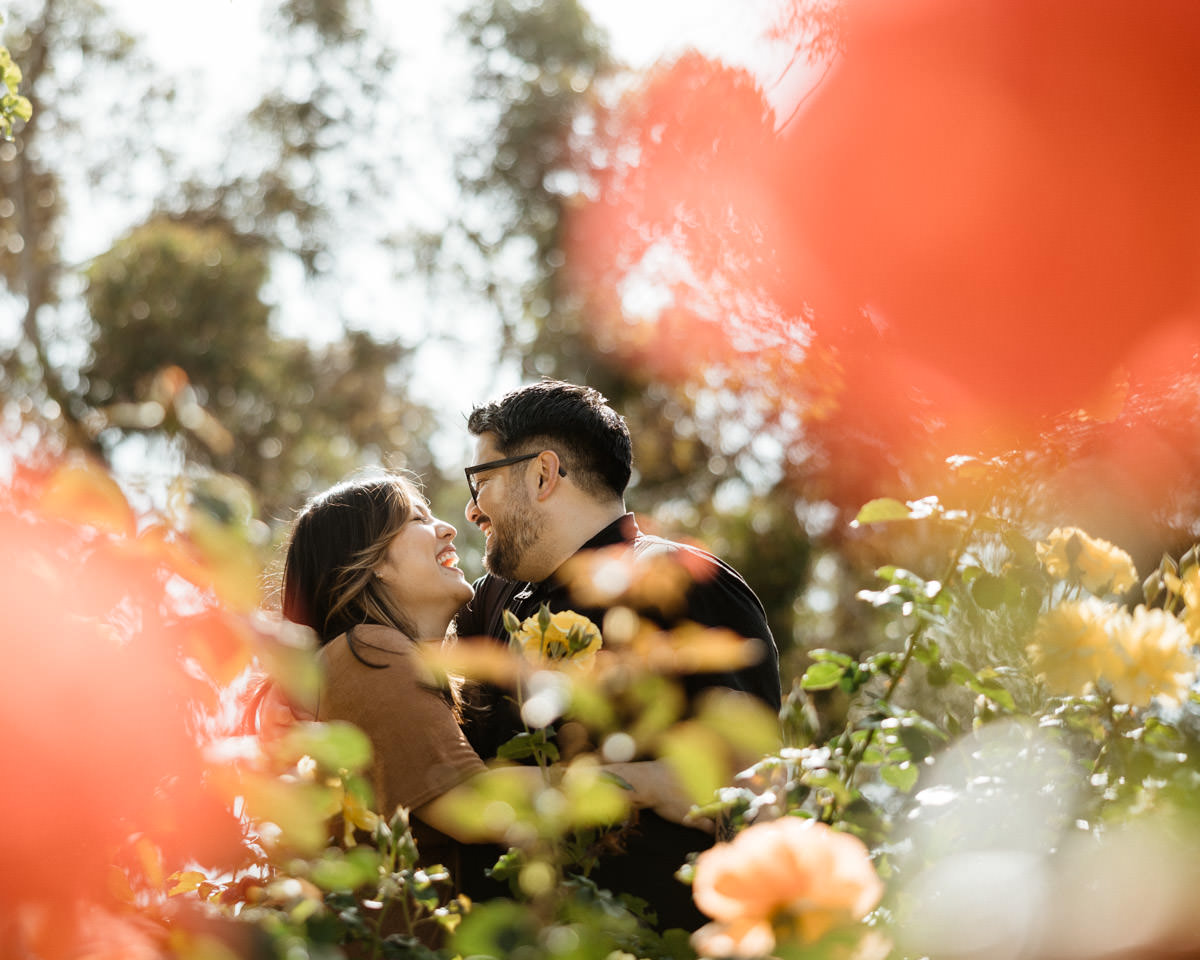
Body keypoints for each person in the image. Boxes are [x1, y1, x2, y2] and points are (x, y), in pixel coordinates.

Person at [273, 473, 701, 917]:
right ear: (370, 559)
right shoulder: (367, 649)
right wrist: (654, 783)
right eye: (415, 518)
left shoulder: (375, 659)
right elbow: (468, 803)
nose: (448, 527)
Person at [455, 379, 782, 931]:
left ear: (542, 474)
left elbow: (748, 779)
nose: (470, 510)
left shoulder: (681, 584)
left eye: (481, 481)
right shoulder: (494, 601)